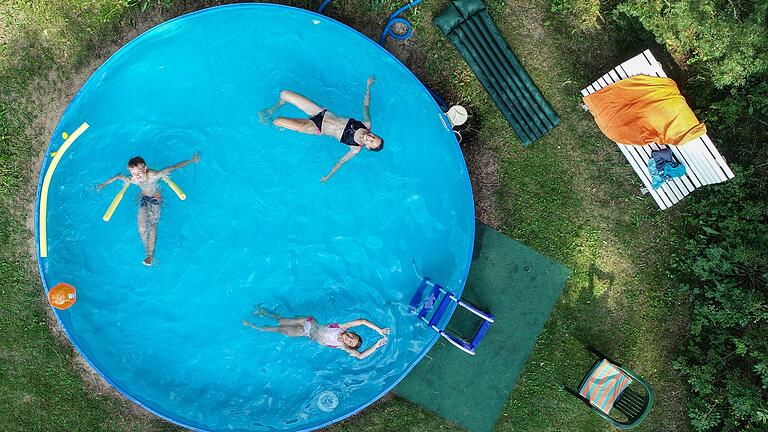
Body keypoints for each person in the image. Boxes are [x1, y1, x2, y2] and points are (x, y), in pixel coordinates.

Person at [261, 76, 383, 182]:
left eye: (371, 142)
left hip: (316, 127)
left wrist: (328, 176)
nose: (370, 137)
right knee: (284, 94)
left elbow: (340, 162)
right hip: (320, 112)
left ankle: (268, 121)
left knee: (278, 121)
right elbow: (366, 106)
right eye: (374, 136)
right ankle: (271, 110)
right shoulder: (366, 124)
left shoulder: (355, 148)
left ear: (367, 147)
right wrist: (368, 86)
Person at [96, 153, 200, 266]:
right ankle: (148, 253)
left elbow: (174, 167)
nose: (137, 176)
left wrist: (191, 160)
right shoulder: (134, 179)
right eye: (134, 173)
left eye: (139, 172)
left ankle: (150, 255)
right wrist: (103, 184)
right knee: (141, 227)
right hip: (144, 198)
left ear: (145, 168)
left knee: (152, 225)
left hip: (156, 199)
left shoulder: (154, 175)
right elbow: (118, 176)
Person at [242, 306, 390, 359]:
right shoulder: (343, 327)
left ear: (348, 345)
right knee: (282, 322)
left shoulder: (342, 347)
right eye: (352, 335)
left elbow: (361, 356)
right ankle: (263, 312)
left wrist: (377, 345)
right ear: (351, 331)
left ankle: (254, 326)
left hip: (307, 334)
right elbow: (362, 321)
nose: (349, 338)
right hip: (307, 322)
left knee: (282, 331)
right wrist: (379, 330)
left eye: (350, 341)